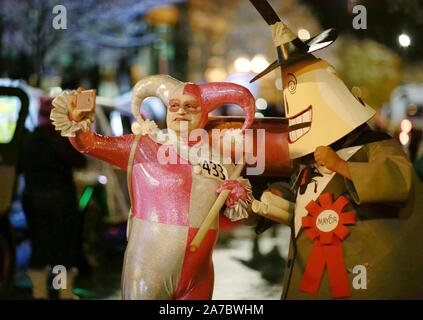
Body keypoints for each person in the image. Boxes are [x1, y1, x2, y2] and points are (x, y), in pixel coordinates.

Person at [249, 0, 423, 299]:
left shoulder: (376, 146)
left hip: (364, 281)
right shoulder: (307, 161)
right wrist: (277, 196)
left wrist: (343, 166)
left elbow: (398, 180)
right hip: (310, 283)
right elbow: (305, 197)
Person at [50, 75, 256, 299]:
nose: (180, 112)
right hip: (147, 273)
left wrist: (238, 196)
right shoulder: (143, 146)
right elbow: (89, 144)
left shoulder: (221, 160)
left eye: (190, 106)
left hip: (199, 276)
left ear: (204, 113)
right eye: (174, 106)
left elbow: (241, 214)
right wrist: (78, 123)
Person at [20, 97, 86, 299]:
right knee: (63, 246)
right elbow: (80, 162)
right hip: (61, 199)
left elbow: (19, 167)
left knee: (38, 245)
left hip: (33, 199)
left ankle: (39, 293)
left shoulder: (28, 138)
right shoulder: (63, 139)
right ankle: (63, 293)